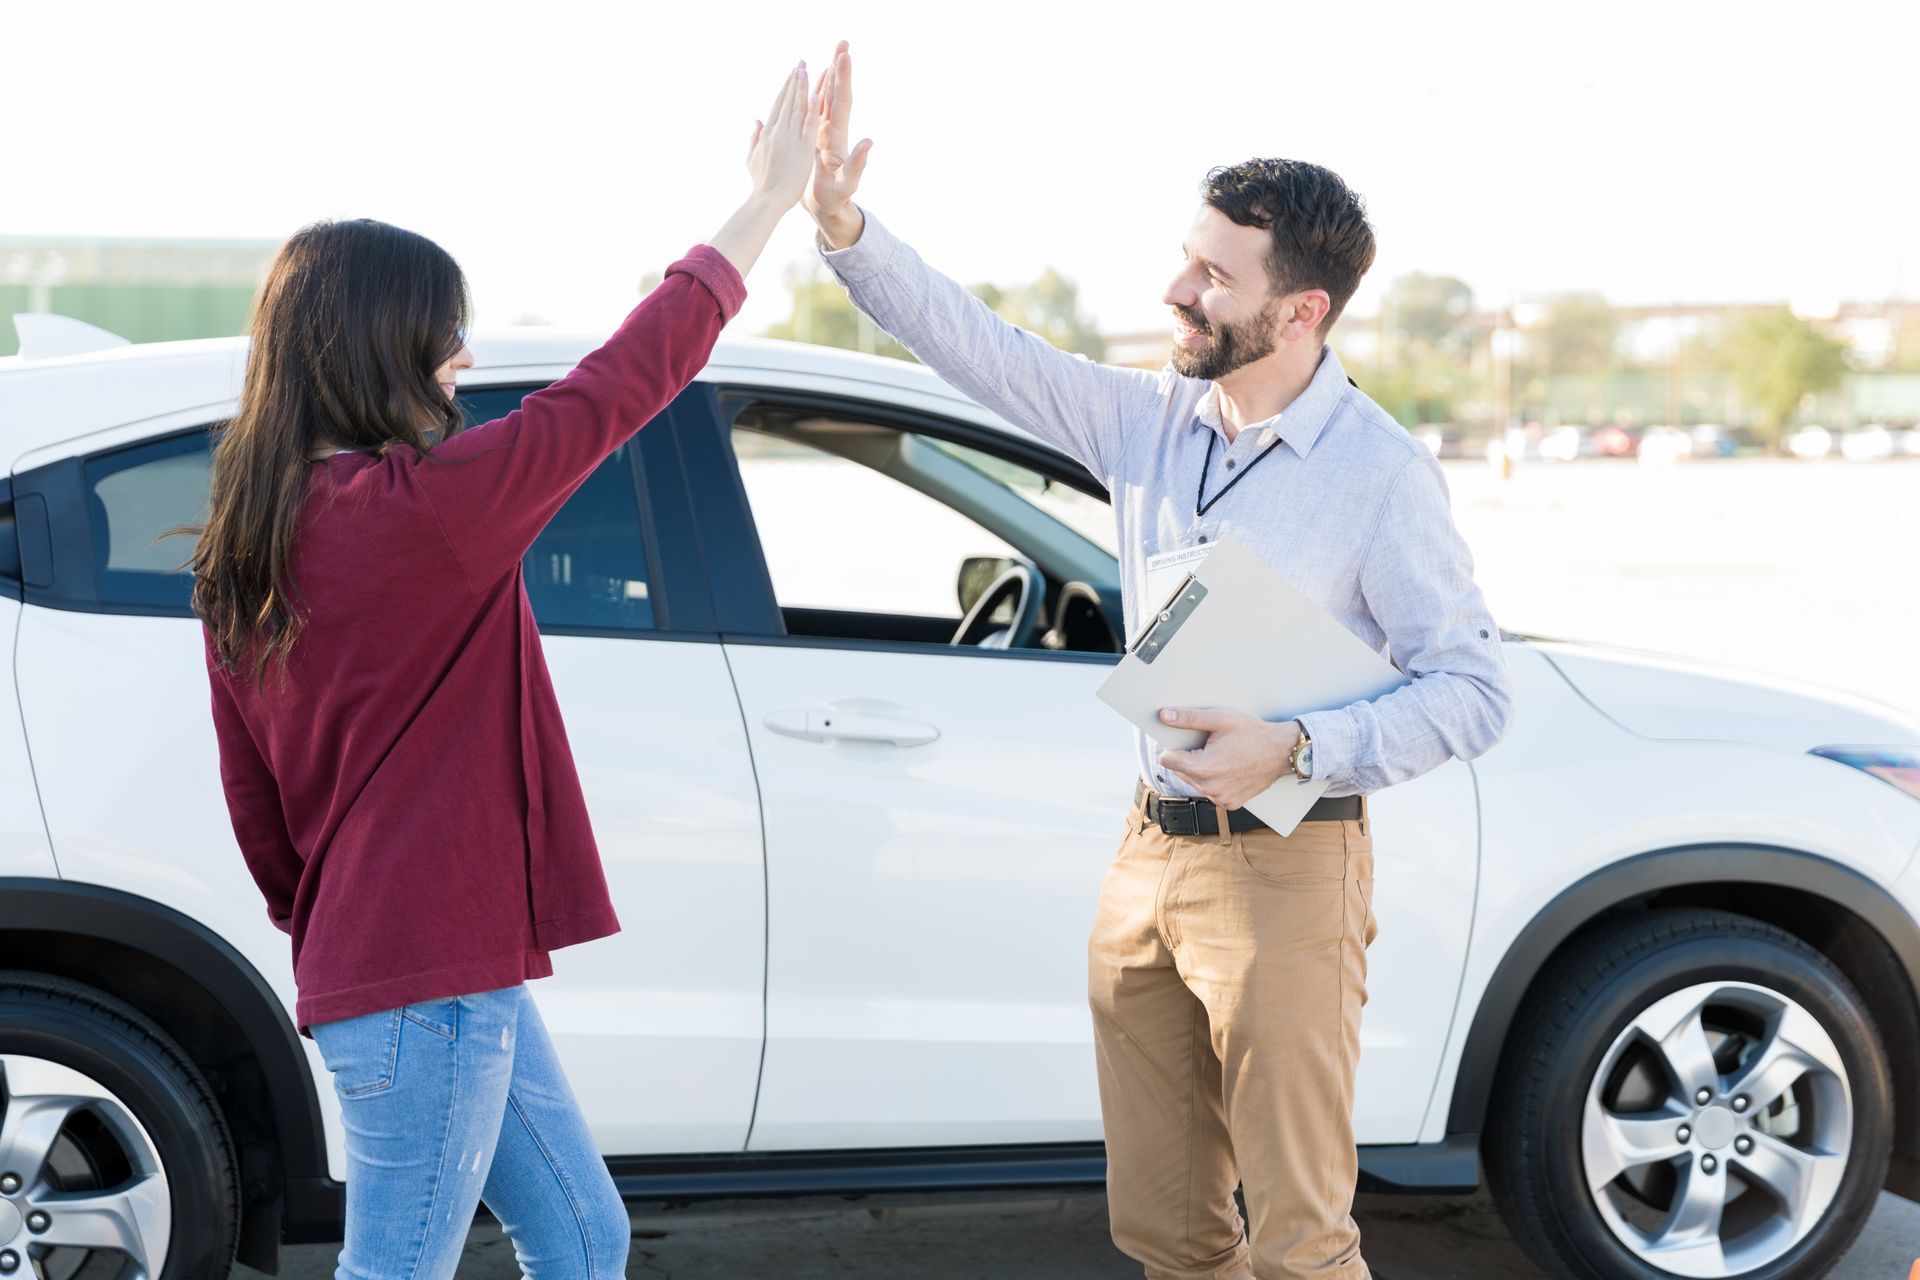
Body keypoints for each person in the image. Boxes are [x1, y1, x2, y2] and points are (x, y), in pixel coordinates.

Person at [802, 43, 1513, 1280]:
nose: (1177, 288)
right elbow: (978, 346)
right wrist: (845, 226)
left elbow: (1474, 688)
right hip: (1145, 858)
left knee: (1299, 1240)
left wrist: (1295, 745)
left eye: (1212, 275)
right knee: (1169, 1230)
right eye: (1188, 256)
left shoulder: (1380, 475)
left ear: (1302, 312)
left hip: (1292, 867)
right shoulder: (1148, 419)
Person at [190, 62, 822, 1280]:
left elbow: (255, 808)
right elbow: (625, 382)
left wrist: (349, 928)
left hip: (403, 968)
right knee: (398, 1268)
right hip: (424, 978)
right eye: (442, 335)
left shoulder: (245, 546)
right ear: (381, 346)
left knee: (586, 1235)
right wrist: (766, 204)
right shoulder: (425, 511)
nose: (462, 359)